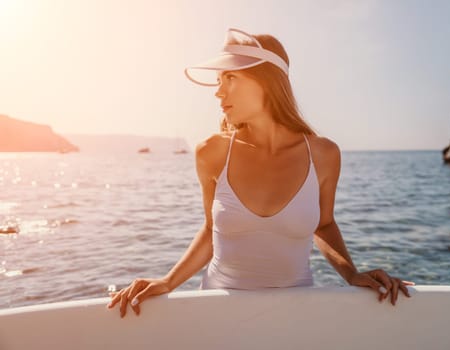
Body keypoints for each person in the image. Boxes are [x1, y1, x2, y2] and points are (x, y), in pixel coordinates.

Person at [107, 28, 414, 318]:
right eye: (218, 80)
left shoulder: (323, 154)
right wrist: (169, 281)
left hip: (294, 313)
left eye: (229, 77)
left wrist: (351, 273)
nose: (218, 92)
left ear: (266, 81)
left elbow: (324, 224)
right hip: (218, 311)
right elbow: (210, 231)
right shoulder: (211, 153)